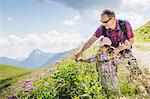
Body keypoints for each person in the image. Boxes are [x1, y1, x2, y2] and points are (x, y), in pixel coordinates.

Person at [74, 9, 150, 96]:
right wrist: (79, 52)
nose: (103, 24)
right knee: (110, 75)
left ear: (113, 19)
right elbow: (90, 41)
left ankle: (147, 88)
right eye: (102, 21)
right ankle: (113, 94)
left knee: (135, 72)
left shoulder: (124, 24)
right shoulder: (102, 28)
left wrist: (118, 49)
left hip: (124, 50)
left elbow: (131, 41)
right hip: (110, 54)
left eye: (105, 21)